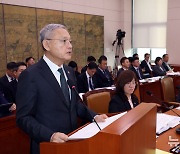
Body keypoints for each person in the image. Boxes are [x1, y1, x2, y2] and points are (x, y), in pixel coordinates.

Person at [16, 24, 107, 154]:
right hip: (48, 146)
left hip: (72, 142)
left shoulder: (69, 71)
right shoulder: (31, 75)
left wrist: (94, 116)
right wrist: (50, 135)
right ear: (47, 45)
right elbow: (23, 118)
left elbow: (74, 104)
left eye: (70, 41)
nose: (70, 45)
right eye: (64, 41)